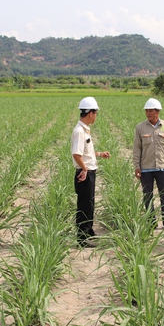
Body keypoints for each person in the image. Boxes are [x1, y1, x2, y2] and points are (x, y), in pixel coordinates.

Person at [132, 97, 164, 232]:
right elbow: (137, 148)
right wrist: (137, 166)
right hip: (146, 168)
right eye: (146, 111)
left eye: (151, 110)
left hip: (162, 167)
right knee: (148, 196)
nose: (148, 113)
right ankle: (151, 222)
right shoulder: (140, 128)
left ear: (158, 111)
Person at [71, 97, 110, 247]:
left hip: (88, 171)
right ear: (90, 113)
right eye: (96, 113)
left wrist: (99, 154)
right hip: (84, 173)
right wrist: (85, 169)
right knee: (84, 206)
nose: (96, 116)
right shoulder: (80, 131)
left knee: (90, 204)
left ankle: (88, 231)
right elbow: (76, 154)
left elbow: (85, 153)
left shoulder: (85, 130)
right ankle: (82, 238)